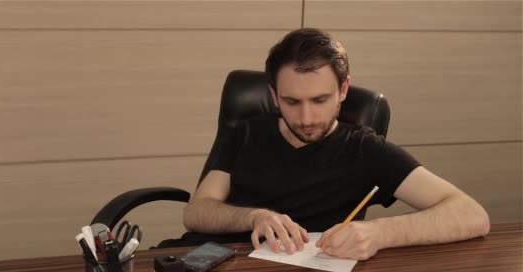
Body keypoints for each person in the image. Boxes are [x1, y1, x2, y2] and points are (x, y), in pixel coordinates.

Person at [181, 28, 490, 260]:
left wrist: (380, 233)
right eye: (291, 101)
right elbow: (196, 212)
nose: (305, 117)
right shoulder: (245, 133)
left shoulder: (365, 150)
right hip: (213, 263)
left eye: (319, 100)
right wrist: (253, 216)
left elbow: (471, 214)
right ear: (274, 95)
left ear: (343, 89)